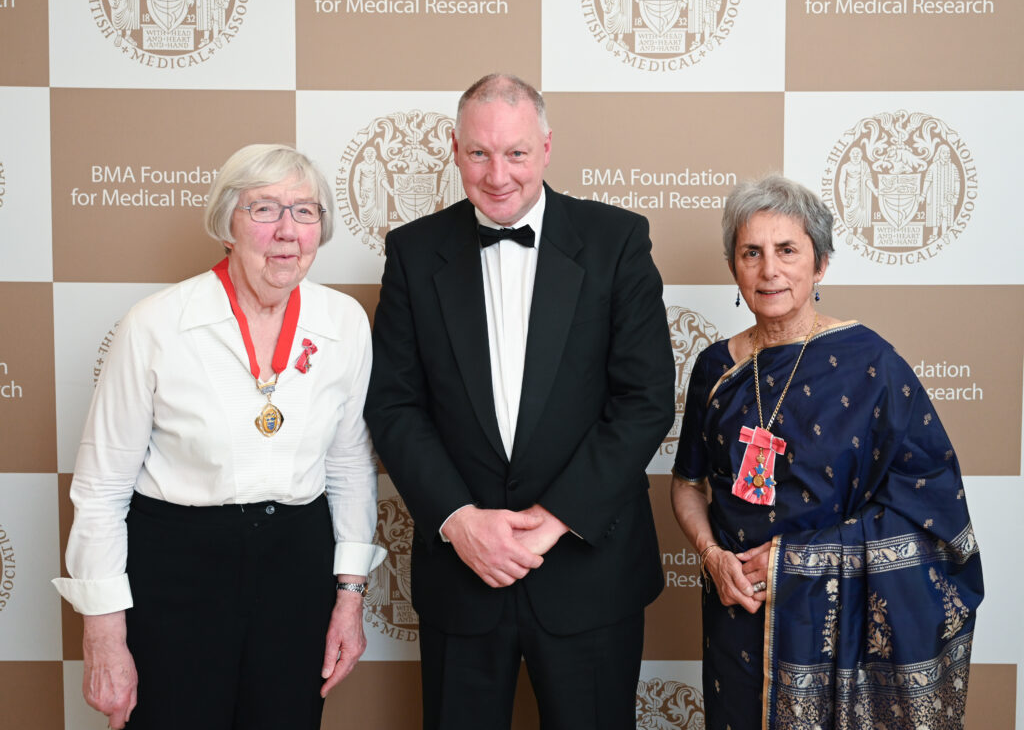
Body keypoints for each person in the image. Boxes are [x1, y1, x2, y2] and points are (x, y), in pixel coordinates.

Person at [364, 74, 675, 729]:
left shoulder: (618, 241)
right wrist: (458, 519)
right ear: (454, 150)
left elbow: (645, 399)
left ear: (547, 148)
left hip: (590, 570)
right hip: (462, 574)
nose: (497, 173)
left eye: (515, 153)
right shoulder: (413, 252)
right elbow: (393, 405)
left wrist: (558, 516)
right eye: (479, 153)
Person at [52, 144, 385, 730]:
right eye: (264, 209)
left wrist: (350, 595)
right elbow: (103, 488)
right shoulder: (156, 324)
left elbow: (350, 467)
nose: (287, 231)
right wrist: (104, 631)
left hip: (296, 567)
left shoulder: (344, 324)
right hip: (178, 569)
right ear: (226, 224)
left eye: (306, 212)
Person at [670, 174, 983, 729]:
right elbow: (688, 484)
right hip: (735, 608)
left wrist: (799, 560)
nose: (769, 270)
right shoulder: (716, 368)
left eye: (787, 250)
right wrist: (711, 556)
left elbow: (933, 513)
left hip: (836, 624)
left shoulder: (872, 366)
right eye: (752, 253)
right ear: (733, 268)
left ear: (820, 264)